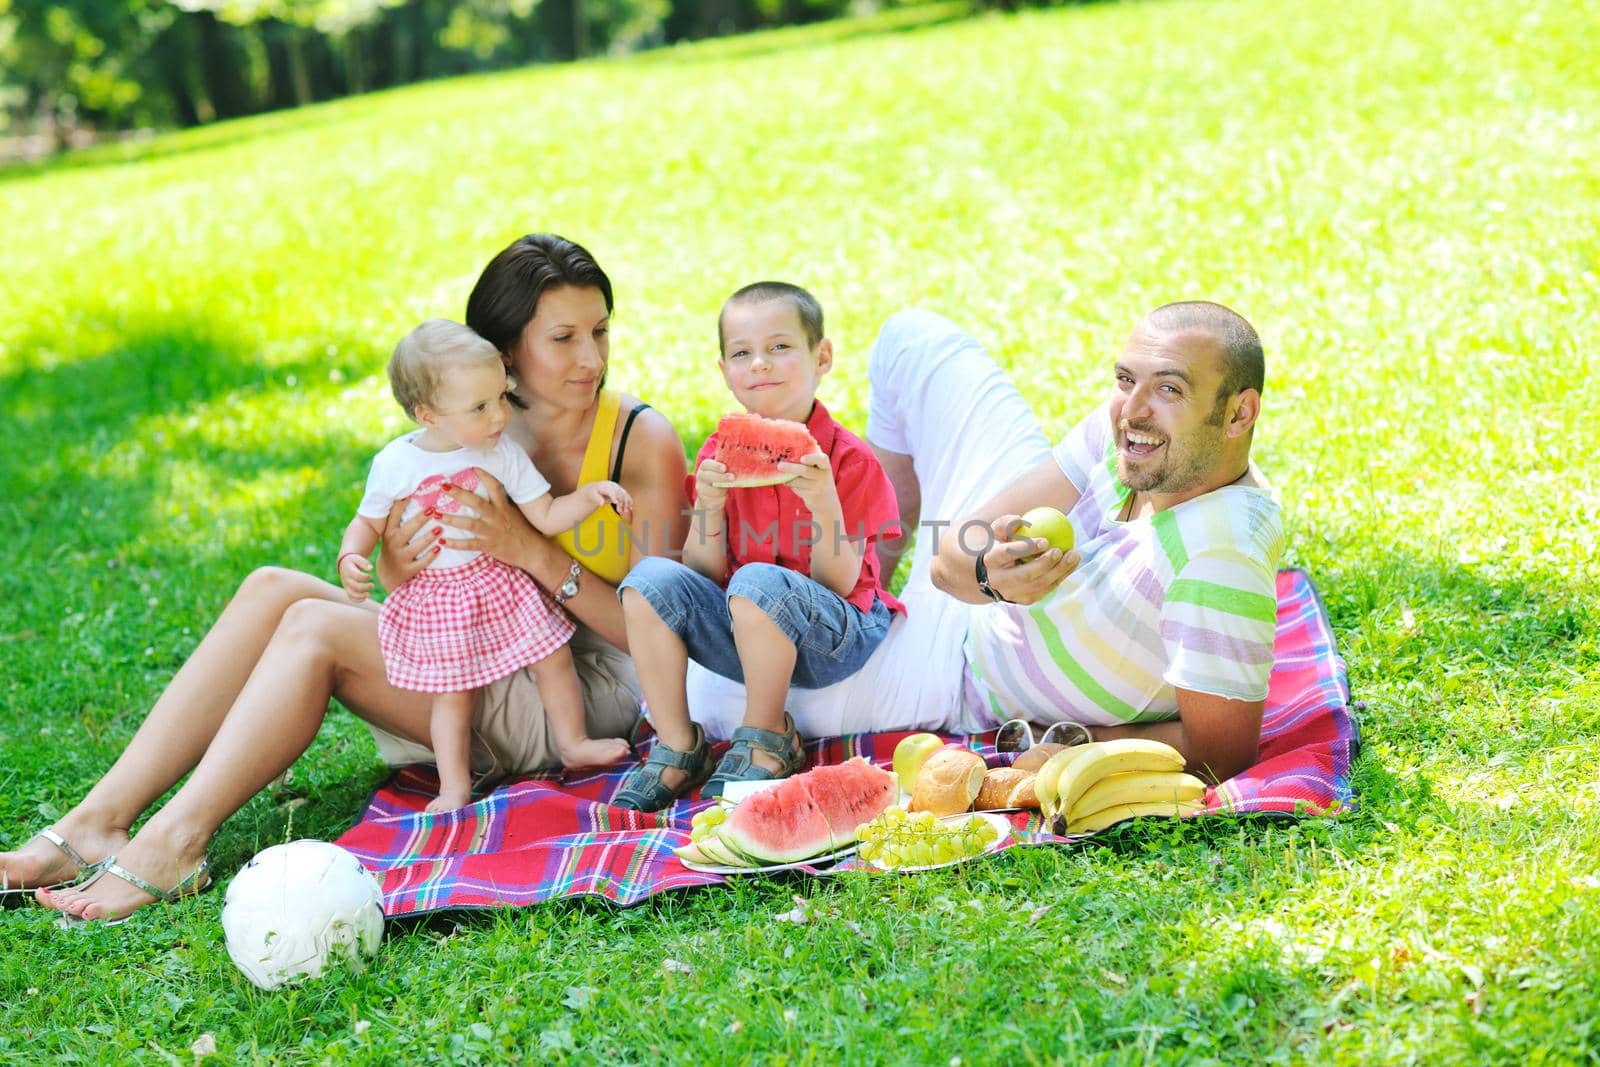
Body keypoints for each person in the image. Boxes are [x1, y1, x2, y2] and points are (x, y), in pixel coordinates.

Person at [0, 234, 690, 921]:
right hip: (476, 653)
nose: (592, 358)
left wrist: (534, 553)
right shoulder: (469, 424)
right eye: (563, 337)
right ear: (503, 352)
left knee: (315, 629)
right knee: (274, 586)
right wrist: (396, 563)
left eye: (600, 330)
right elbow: (424, 578)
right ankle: (96, 819)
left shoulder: (637, 440)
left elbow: (672, 626)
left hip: (586, 682)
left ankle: (175, 842)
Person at [685, 301, 1282, 783]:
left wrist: (1076, 745)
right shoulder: (1124, 427)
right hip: (971, 605)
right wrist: (991, 578)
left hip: (953, 674)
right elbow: (952, 559)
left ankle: (854, 606)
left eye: (1171, 390)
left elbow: (1219, 756)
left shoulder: (1218, 555)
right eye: (1127, 379)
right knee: (910, 338)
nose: (1134, 410)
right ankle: (866, 567)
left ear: (1239, 414)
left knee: (702, 696)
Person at [611, 282, 905, 811]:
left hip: (835, 637)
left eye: (780, 347)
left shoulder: (850, 462)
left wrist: (823, 502)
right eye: (742, 353)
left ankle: (770, 736)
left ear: (823, 357)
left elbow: (838, 585)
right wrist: (707, 505)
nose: (760, 364)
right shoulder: (717, 453)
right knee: (648, 580)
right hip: (745, 630)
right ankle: (680, 744)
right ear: (724, 371)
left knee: (756, 581)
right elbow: (701, 574)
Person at [340, 319, 635, 811]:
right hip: (440, 597)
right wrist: (352, 555)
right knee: (453, 696)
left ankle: (573, 742)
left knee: (553, 656)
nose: (499, 414)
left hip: (500, 583)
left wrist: (590, 496)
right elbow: (366, 522)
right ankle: (454, 784)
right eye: (480, 407)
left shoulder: (501, 453)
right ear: (428, 414)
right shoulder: (396, 463)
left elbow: (544, 515)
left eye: (501, 396)